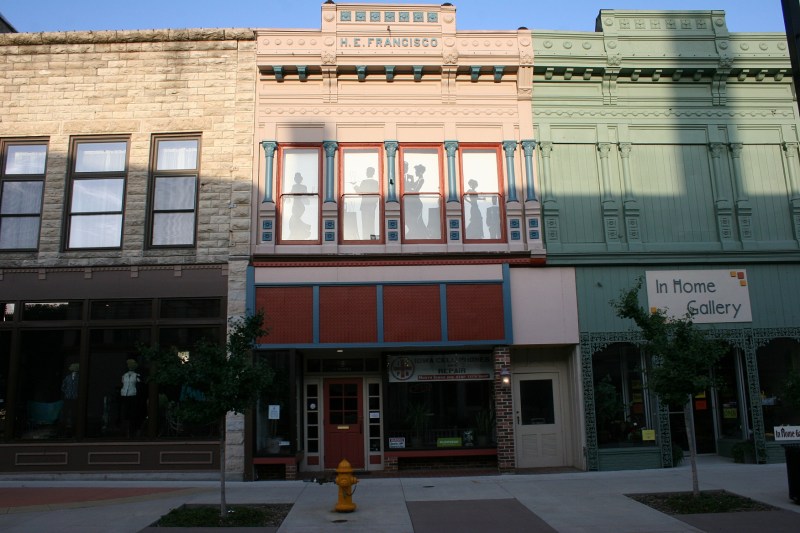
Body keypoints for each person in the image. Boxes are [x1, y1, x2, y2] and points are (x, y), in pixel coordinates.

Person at [354, 167, 379, 239]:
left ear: (367, 173)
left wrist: (354, 185)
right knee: (371, 223)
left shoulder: (364, 182)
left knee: (364, 223)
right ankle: (371, 239)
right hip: (372, 206)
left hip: (365, 206)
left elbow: (360, 192)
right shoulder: (376, 182)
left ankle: (365, 238)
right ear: (373, 173)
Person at [120, 359, 142, 437]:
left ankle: (133, 430)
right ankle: (125, 431)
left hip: (133, 396)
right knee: (125, 413)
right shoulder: (124, 375)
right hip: (124, 396)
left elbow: (139, 386)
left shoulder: (136, 375)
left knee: (132, 413)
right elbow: (122, 384)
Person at [404, 163, 427, 238]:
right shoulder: (418, 179)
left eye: (416, 171)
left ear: (420, 172)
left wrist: (407, 191)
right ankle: (425, 235)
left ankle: (421, 235)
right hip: (411, 202)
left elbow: (415, 190)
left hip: (416, 203)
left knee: (415, 220)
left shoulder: (421, 180)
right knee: (417, 220)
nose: (415, 172)